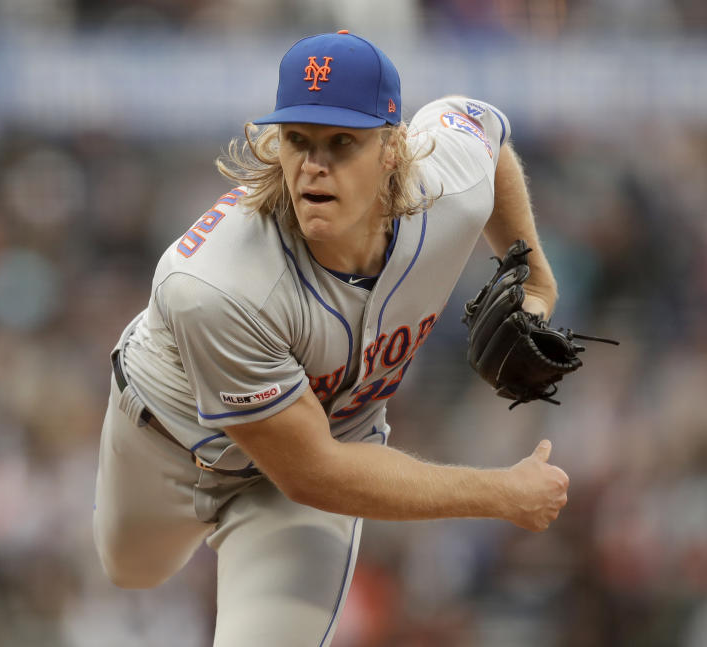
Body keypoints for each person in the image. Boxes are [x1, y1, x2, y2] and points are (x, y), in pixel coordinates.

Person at [93, 30, 569, 646]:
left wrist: (536, 279)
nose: (314, 166)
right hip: (166, 442)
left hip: (316, 462)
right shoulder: (216, 283)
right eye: (299, 141)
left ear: (394, 148)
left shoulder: (443, 185)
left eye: (342, 142)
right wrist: (501, 494)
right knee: (131, 571)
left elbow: (489, 130)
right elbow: (311, 472)